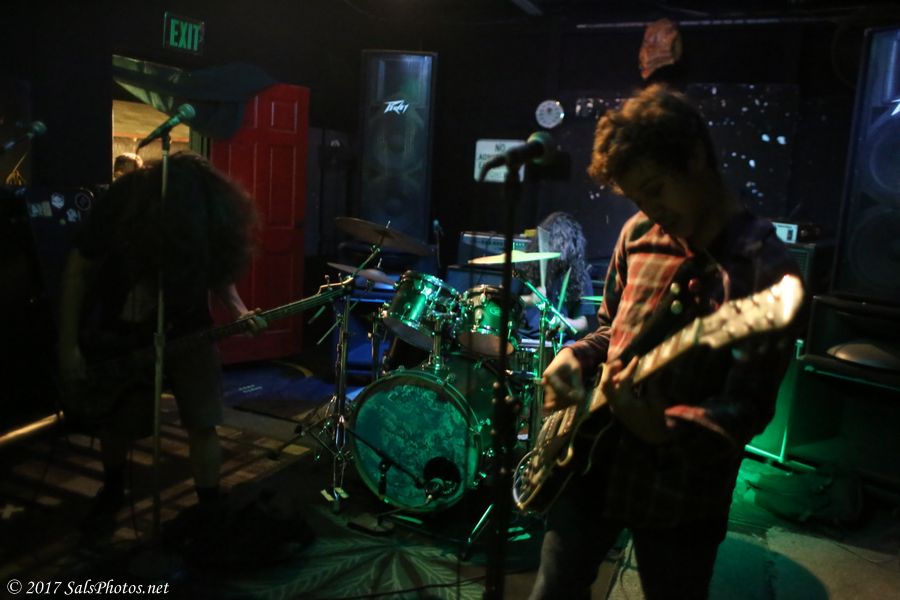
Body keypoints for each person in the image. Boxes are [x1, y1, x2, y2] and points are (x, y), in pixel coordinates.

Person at [529, 84, 801, 599]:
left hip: (680, 495)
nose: (650, 210)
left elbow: (746, 409)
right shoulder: (638, 234)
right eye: (638, 199)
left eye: (656, 189)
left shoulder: (764, 270)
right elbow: (610, 328)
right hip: (591, 464)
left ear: (695, 158)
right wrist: (573, 356)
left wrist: (662, 428)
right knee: (553, 589)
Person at [57, 151, 264, 536]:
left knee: (204, 419)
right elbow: (77, 269)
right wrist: (68, 347)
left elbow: (216, 270)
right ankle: (113, 488)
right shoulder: (124, 199)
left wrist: (238, 310)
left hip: (190, 328)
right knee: (118, 421)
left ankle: (210, 508)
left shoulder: (206, 209)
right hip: (127, 328)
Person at [518, 211, 594, 342]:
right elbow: (502, 301)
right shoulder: (526, 265)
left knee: (574, 349)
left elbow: (584, 321)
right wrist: (530, 299)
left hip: (559, 341)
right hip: (524, 337)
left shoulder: (580, 275)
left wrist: (566, 322)